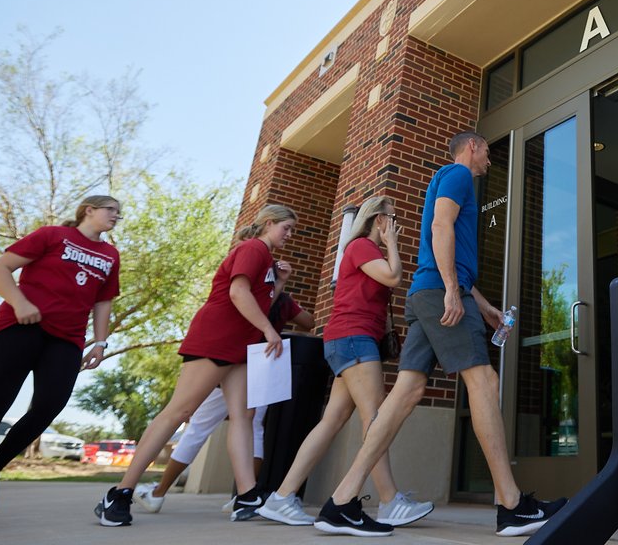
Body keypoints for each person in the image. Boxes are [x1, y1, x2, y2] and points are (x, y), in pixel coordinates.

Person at [313, 132, 566, 537]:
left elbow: (447, 253)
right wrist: (452, 290)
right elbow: (440, 227)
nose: (488, 160)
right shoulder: (457, 175)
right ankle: (512, 504)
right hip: (439, 294)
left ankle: (340, 501)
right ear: (472, 148)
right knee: (483, 381)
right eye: (486, 151)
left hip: (429, 293)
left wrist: (480, 305)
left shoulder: (451, 179)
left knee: (404, 395)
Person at [94, 204, 295, 527]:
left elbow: (259, 302)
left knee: (245, 416)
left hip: (243, 345)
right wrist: (270, 330)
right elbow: (237, 292)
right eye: (286, 228)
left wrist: (280, 283)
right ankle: (120, 493)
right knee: (179, 412)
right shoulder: (252, 248)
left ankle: (247, 494)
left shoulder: (268, 261)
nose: (289, 235)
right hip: (217, 337)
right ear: (268, 223)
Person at [0, 196, 122, 532]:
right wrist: (19, 302)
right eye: (110, 209)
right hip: (19, 327)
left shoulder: (110, 255)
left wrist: (100, 342)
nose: (117, 215)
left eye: (118, 212)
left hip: (67, 340)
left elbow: (103, 302)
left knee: (49, 406)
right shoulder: (52, 235)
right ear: (89, 210)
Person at [257, 196, 433, 528]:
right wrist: (392, 243)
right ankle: (389, 500)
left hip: (347, 340)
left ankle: (282, 496)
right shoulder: (364, 248)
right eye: (392, 220)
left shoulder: (363, 251)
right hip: (353, 339)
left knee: (332, 420)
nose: (397, 226)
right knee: (375, 418)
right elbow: (394, 276)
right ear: (378, 220)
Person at [132, 285, 314, 513]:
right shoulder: (283, 302)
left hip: (229, 360)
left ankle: (159, 493)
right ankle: (244, 497)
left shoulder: (246, 294)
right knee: (254, 429)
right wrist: (289, 303)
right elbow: (309, 322)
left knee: (198, 428)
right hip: (259, 365)